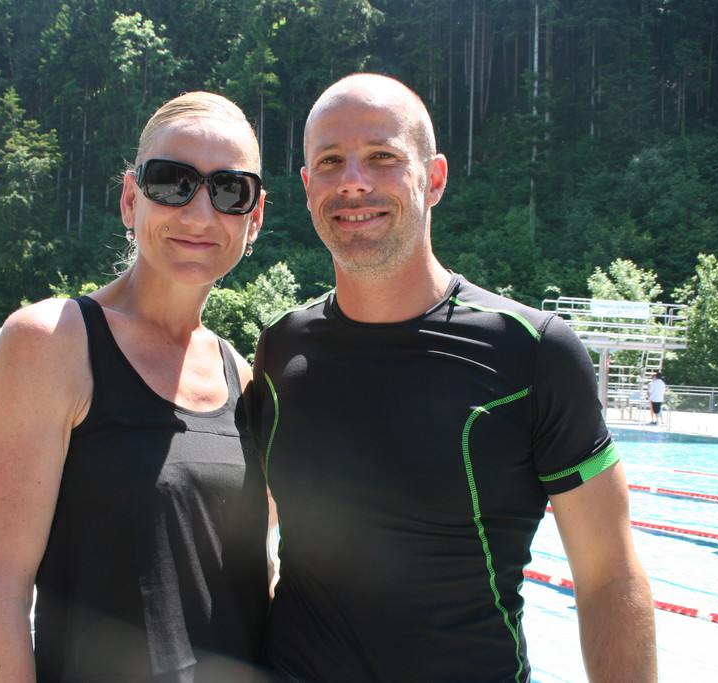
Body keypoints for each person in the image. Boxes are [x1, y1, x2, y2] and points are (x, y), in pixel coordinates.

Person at [250, 74, 657, 682]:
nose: (353, 180)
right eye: (330, 161)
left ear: (434, 178)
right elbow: (256, 536)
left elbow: (609, 578)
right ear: (308, 187)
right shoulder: (282, 349)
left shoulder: (532, 352)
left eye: (382, 156)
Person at [0, 92, 271, 682]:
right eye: (171, 182)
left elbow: (257, 574)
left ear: (253, 217)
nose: (199, 214)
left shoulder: (245, 376)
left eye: (230, 190)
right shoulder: (51, 345)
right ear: (131, 199)